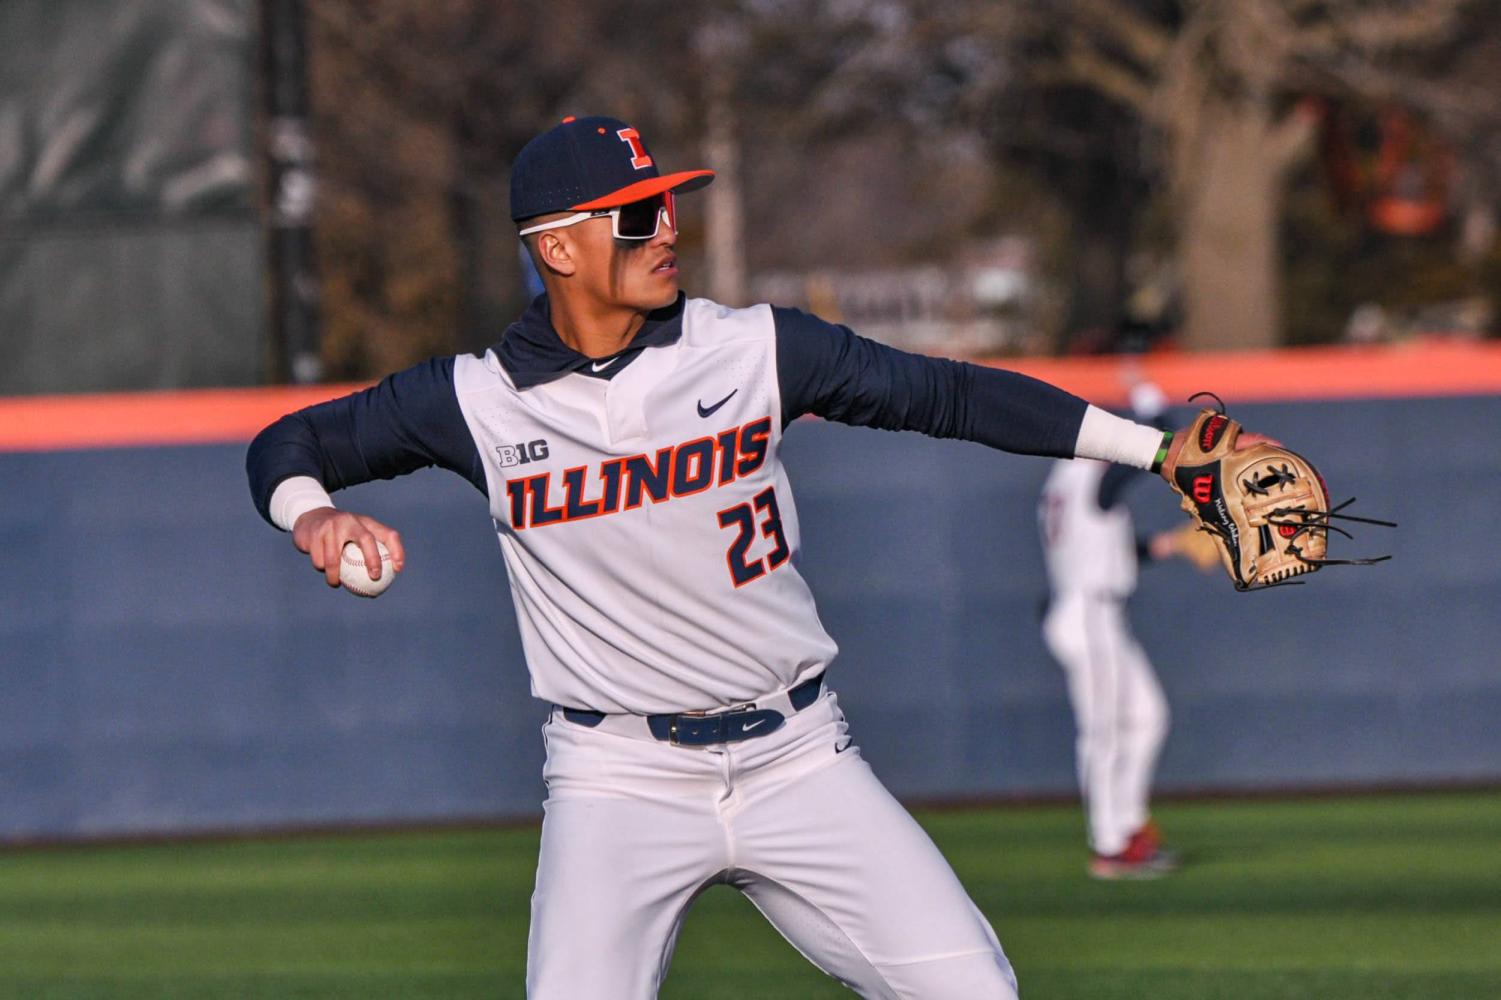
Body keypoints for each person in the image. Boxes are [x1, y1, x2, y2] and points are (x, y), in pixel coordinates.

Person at [246, 115, 1218, 998]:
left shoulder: (754, 349)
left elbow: (952, 396)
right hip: (616, 777)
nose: (666, 230)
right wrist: (312, 516)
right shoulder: (477, 400)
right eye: (636, 216)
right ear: (557, 247)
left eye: (668, 206)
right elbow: (289, 443)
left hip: (798, 755)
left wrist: (1162, 450)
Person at [1036, 384, 1216, 880]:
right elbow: (1140, 457)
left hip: (1096, 610)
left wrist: (1168, 545)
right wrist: (1152, 411)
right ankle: (1110, 845)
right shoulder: (1084, 473)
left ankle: (1130, 827)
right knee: (1102, 733)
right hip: (1088, 612)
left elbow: (1104, 544)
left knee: (1148, 716)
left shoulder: (1067, 481)